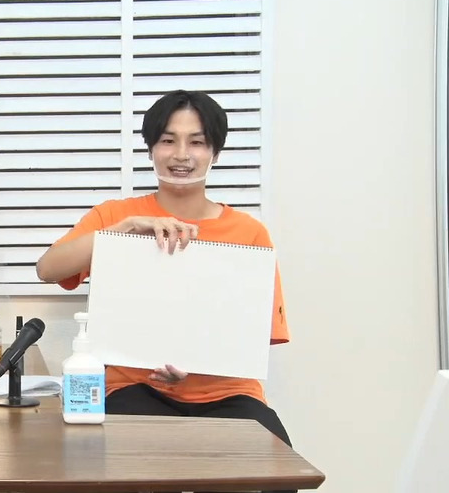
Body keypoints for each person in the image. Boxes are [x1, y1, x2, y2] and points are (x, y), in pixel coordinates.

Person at [36, 90, 294, 493]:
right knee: (114, 470)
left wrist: (197, 360)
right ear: (151, 148)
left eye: (197, 142)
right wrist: (123, 231)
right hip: (133, 390)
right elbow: (48, 268)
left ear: (215, 153)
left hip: (228, 394)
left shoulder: (249, 232)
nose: (181, 154)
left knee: (279, 475)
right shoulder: (115, 215)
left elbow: (253, 334)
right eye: (168, 140)